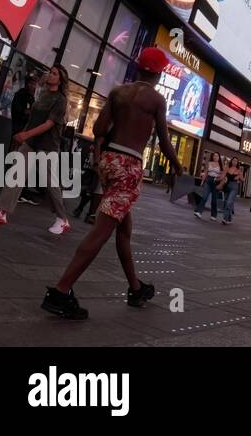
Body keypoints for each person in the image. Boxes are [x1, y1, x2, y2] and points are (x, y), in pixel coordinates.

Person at [42, 48, 178, 319]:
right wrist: (178, 166)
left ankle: (136, 288)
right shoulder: (156, 99)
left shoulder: (118, 92)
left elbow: (99, 129)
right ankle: (60, 291)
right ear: (159, 73)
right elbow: (163, 140)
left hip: (109, 161)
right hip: (128, 167)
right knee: (101, 231)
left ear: (139, 67)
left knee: (123, 229)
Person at [0, 64, 72, 233]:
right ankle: (1, 211)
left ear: (60, 80)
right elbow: (34, 119)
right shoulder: (43, 93)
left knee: (51, 183)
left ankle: (62, 219)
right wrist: (24, 134)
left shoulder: (60, 100)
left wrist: (25, 134)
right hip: (31, 142)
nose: (51, 75)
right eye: (50, 72)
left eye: (54, 74)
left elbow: (48, 124)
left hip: (47, 146)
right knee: (15, 175)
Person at [194, 151, 223, 220]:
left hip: (216, 181)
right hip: (208, 180)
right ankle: (199, 212)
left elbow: (222, 175)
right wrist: (202, 181)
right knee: (204, 196)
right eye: (214, 156)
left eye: (217, 156)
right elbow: (205, 173)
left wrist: (219, 180)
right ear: (212, 157)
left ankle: (213, 215)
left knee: (214, 200)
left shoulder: (221, 166)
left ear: (219, 158)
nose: (215, 157)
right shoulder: (209, 163)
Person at [220, 158, 243, 225]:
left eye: (236, 161)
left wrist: (239, 176)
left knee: (229, 202)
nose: (234, 162)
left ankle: (225, 218)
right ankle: (229, 218)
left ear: (237, 163)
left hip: (234, 187)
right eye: (233, 160)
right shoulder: (227, 168)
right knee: (226, 202)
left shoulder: (239, 171)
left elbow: (243, 179)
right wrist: (219, 180)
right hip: (227, 186)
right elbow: (223, 176)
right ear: (231, 161)